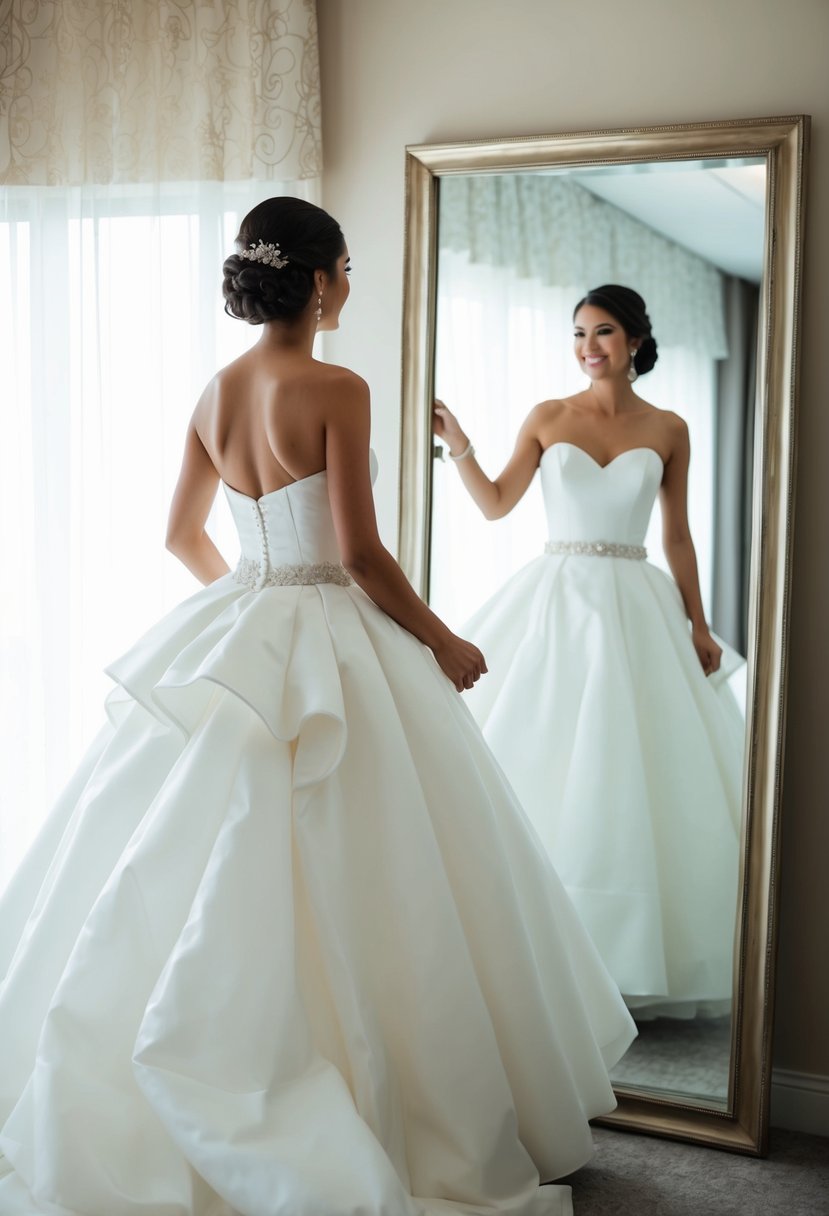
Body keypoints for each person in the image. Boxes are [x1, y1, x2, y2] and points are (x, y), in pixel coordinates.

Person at [0, 202, 636, 1216]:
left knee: (201, 865)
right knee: (386, 867)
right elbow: (357, 554)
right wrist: (444, 639)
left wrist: (249, 605)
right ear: (325, 279)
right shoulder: (337, 385)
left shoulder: (217, 391)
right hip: (336, 638)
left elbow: (180, 534)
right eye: (346, 268)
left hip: (244, 628)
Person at [434, 284, 745, 1022]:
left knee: (633, 774)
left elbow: (675, 535)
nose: (586, 347)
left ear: (634, 339)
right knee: (542, 760)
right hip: (557, 600)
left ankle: (625, 963)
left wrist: (698, 623)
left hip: (637, 602)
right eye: (576, 333)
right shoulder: (547, 416)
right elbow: (495, 502)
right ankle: (537, 961)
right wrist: (459, 444)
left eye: (602, 332)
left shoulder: (668, 428)